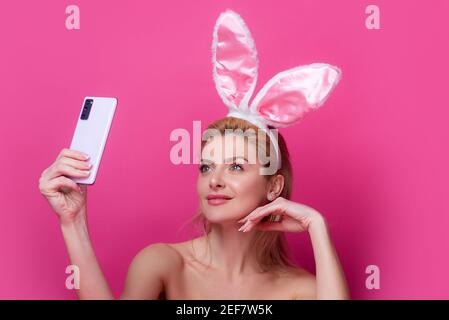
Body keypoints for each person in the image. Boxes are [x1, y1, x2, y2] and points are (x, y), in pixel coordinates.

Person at [38, 9, 350, 299]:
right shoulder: (163, 263)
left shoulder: (301, 288)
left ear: (274, 187)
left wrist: (316, 225)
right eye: (205, 167)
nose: (214, 180)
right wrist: (73, 222)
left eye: (236, 167)